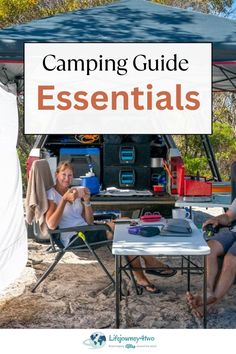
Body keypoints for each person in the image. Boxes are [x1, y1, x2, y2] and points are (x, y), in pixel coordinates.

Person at [46, 161, 177, 294]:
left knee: (127, 222)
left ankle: (145, 270)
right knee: (124, 232)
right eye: (63, 174)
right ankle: (146, 270)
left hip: (88, 230)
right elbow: (51, 224)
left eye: (70, 175)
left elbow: (89, 221)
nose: (66, 178)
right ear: (57, 174)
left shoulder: (73, 191)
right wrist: (64, 200)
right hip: (74, 237)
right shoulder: (51, 194)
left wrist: (86, 201)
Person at [186, 202, 236, 318]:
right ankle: (207, 291)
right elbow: (229, 216)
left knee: (231, 259)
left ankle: (210, 304)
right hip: (233, 231)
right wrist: (216, 219)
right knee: (209, 248)